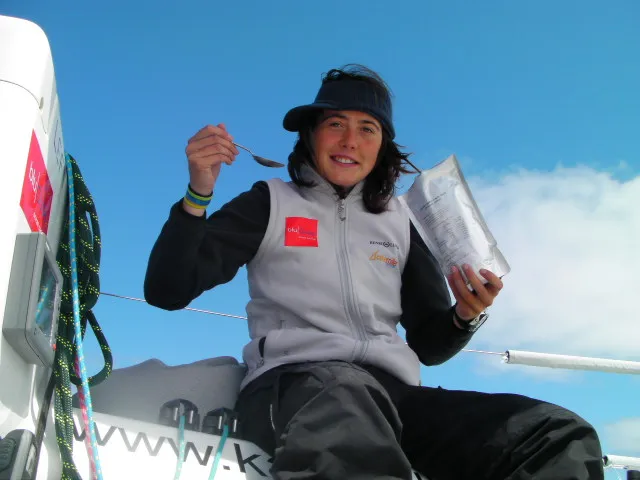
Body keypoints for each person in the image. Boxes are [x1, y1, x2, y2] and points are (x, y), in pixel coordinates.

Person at [144, 64, 604, 480]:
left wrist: (464, 315)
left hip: (393, 402)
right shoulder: (270, 202)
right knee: (344, 395)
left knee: (555, 434)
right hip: (295, 389)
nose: (350, 141)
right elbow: (167, 289)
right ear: (310, 135)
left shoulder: (402, 222)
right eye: (335, 124)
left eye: (367, 128)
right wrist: (198, 195)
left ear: (382, 145)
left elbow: (428, 342)